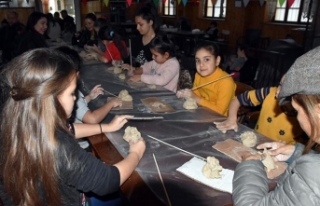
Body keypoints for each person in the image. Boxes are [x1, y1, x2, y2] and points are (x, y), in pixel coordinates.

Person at [0, 48, 146, 206]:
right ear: (52, 99)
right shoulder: (59, 147)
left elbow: (70, 129)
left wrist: (107, 127)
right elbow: (108, 180)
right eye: (71, 93)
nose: (76, 97)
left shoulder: (16, 126)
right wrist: (135, 153)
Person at [232, 46, 320, 206]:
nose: (297, 118)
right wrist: (298, 154)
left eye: (297, 110)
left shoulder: (314, 176)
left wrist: (250, 164)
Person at [214, 76, 303, 144]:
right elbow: (237, 100)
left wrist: (289, 149)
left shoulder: (307, 116)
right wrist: (231, 118)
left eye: (286, 88)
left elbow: (304, 148)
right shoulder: (269, 93)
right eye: (280, 85)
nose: (277, 92)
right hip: (255, 143)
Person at [176, 42, 235, 116]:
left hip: (220, 120)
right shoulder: (198, 75)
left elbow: (219, 112)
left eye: (207, 59)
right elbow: (195, 94)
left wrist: (196, 98)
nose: (201, 64)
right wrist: (185, 94)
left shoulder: (226, 82)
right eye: (198, 60)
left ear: (217, 61)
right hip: (202, 113)